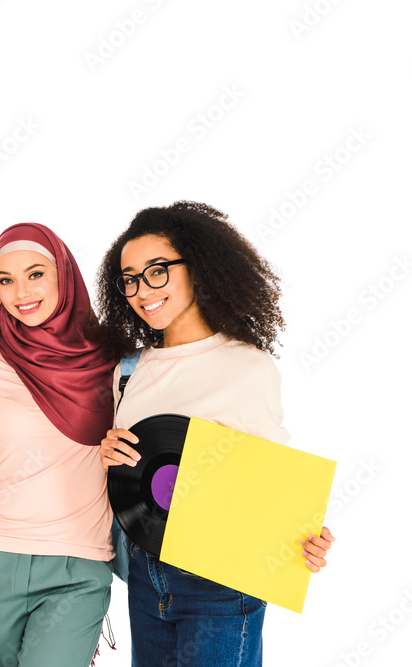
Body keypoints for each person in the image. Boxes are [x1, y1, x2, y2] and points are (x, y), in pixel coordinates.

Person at [97, 201, 335, 666]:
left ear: (198, 268)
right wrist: (109, 452)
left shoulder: (247, 366)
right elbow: (136, 482)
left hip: (221, 582)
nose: (142, 290)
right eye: (129, 278)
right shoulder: (128, 371)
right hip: (146, 577)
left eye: (157, 271)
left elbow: (274, 483)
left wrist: (304, 538)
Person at [0, 223, 118, 666]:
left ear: (64, 273)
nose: (21, 291)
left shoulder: (115, 360)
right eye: (5, 280)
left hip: (79, 565)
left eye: (36, 273)